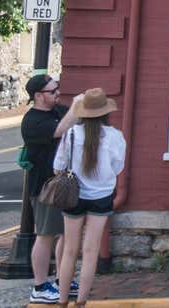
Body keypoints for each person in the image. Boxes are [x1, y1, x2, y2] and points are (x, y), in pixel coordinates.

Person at [51, 87, 126, 307]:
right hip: (101, 196)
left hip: (74, 195)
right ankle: (81, 301)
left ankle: (62, 300)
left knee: (70, 250)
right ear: (106, 112)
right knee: (91, 250)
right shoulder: (115, 136)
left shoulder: (72, 133)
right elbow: (118, 168)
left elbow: (57, 168)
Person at [22, 74, 69, 304]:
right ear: (39, 96)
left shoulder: (58, 111)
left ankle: (63, 279)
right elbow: (59, 130)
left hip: (64, 186)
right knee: (45, 235)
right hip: (44, 187)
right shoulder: (32, 121)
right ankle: (39, 286)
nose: (58, 93)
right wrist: (78, 109)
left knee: (65, 233)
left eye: (58, 88)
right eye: (53, 91)